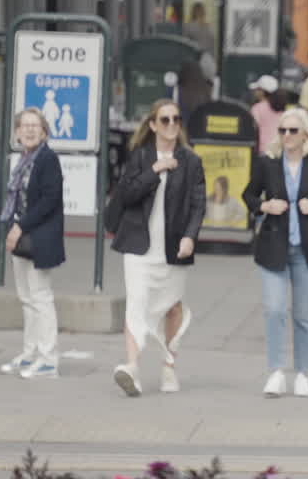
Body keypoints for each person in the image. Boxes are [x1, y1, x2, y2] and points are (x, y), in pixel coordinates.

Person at [242, 107, 308, 397]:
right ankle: (276, 371)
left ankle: (302, 372)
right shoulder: (267, 164)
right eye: (282, 130)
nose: (286, 135)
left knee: (303, 315)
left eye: (292, 131)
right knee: (274, 310)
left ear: (305, 135)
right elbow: (248, 195)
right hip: (273, 247)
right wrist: (264, 206)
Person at [110, 100, 206, 396]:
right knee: (136, 305)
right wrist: (155, 170)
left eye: (176, 119)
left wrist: (190, 236)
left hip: (173, 246)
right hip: (139, 246)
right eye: (164, 120)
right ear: (152, 125)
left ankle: (168, 367)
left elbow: (197, 203)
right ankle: (132, 369)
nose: (172, 125)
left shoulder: (190, 161)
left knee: (173, 307)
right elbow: (126, 195)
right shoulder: (140, 157)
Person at [0, 108, 65, 379]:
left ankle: (49, 359)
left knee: (40, 297)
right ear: (16, 132)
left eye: (34, 125)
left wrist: (19, 226)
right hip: (22, 236)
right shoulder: (24, 160)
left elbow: (49, 201)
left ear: (44, 131)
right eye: (24, 125)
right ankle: (31, 353)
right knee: (27, 299)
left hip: (39, 237)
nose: (28, 130)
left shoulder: (47, 159)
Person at [249, 75, 286, 153]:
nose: (255, 92)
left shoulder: (257, 108)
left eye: (257, 89)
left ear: (262, 92)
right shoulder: (282, 109)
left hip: (262, 150)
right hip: (279, 150)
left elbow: (252, 129)